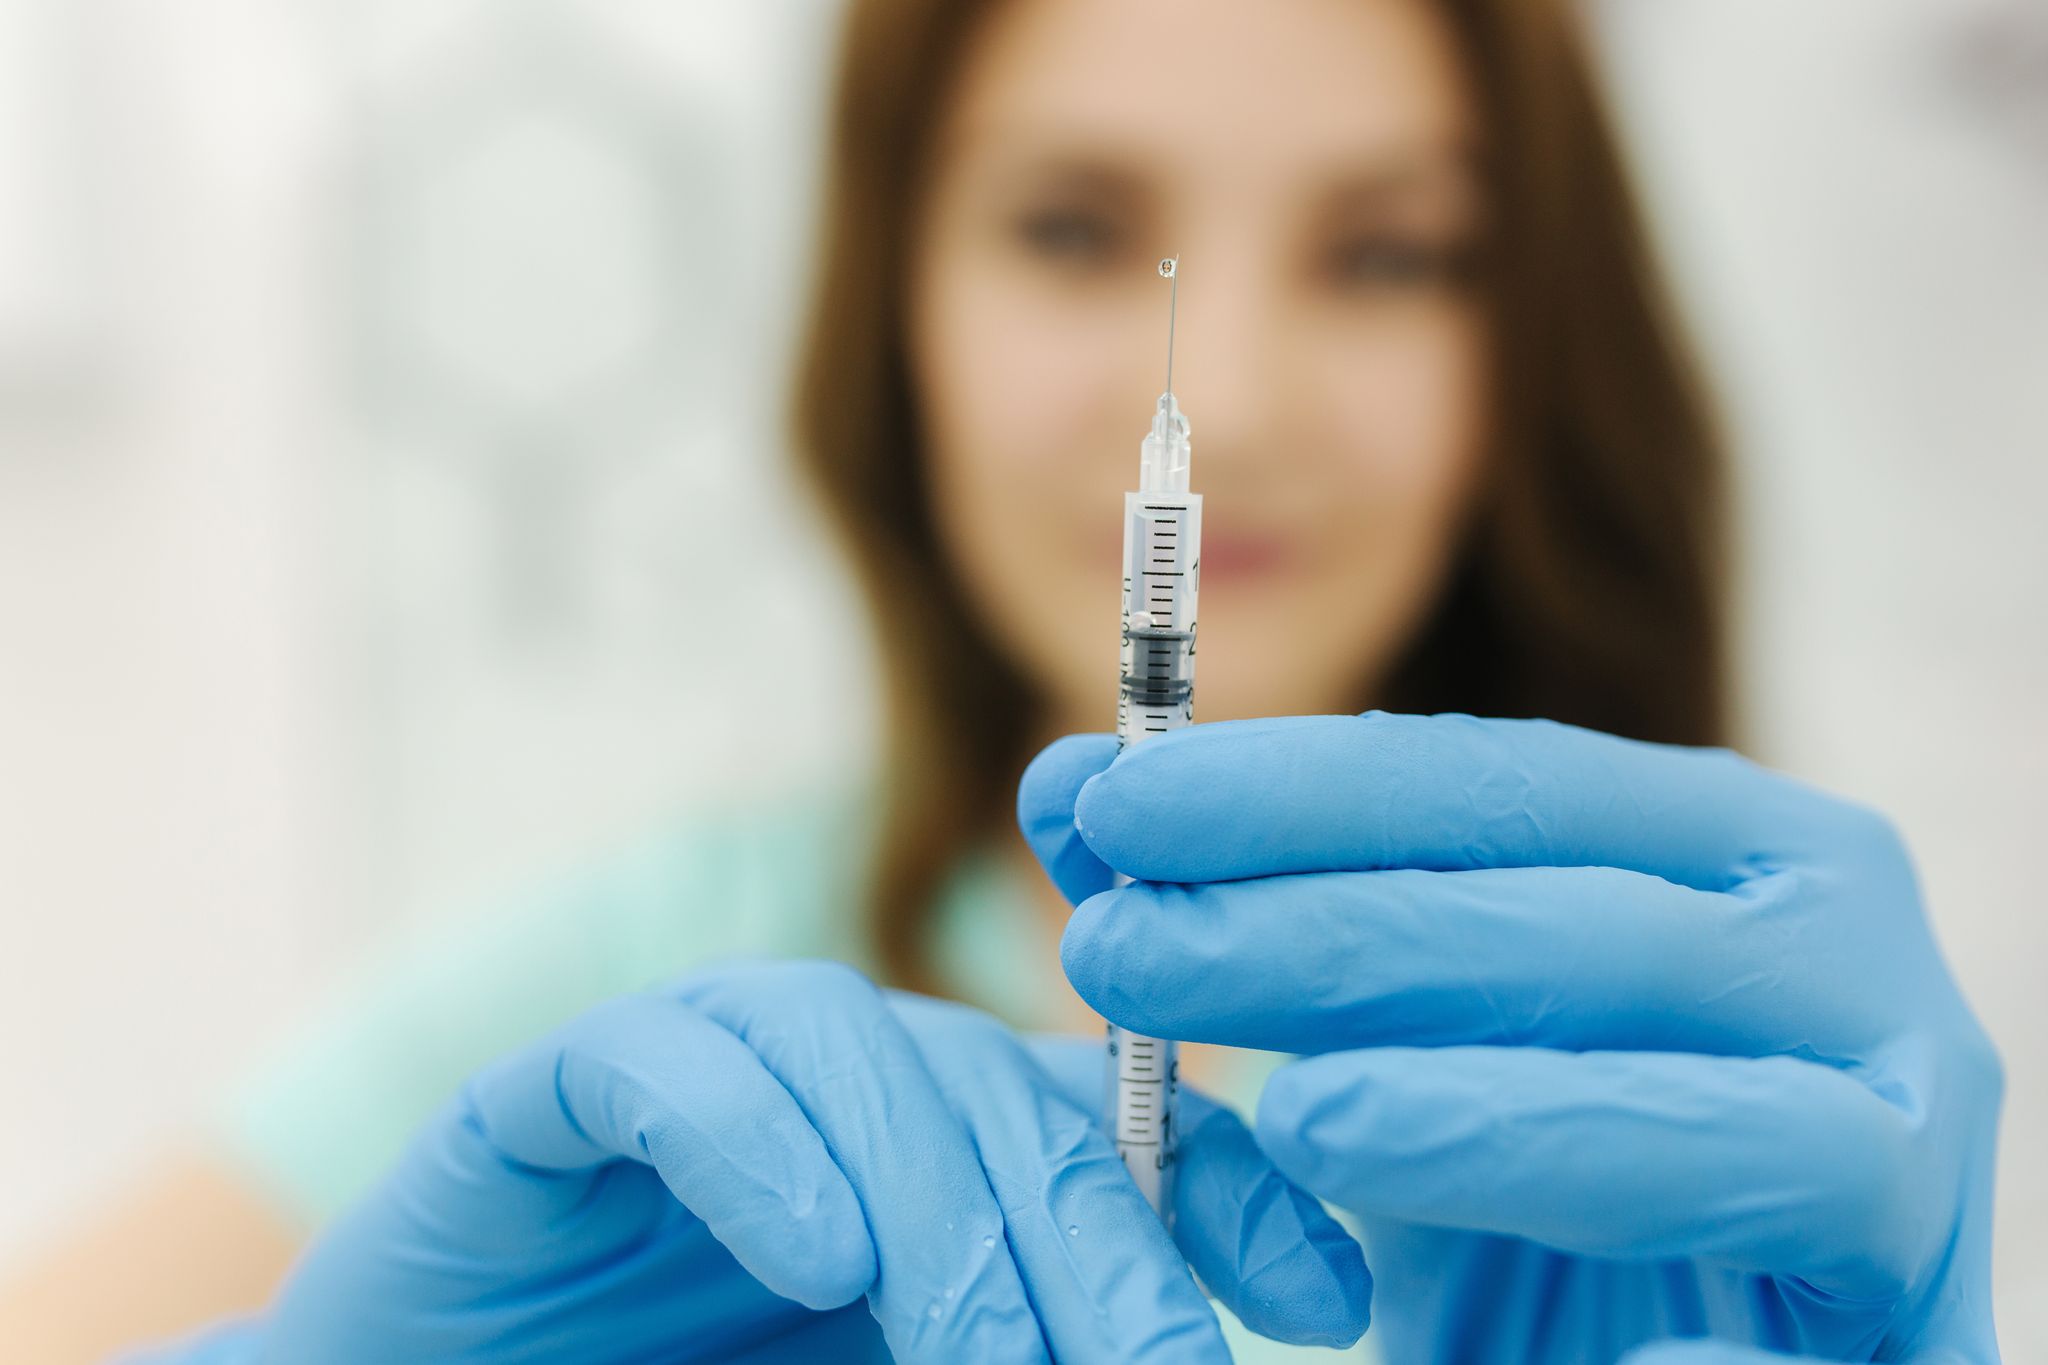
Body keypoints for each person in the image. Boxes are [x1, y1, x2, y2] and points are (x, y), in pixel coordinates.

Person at [4, 0, 2003, 1360]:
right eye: (1072, 227)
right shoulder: (646, 1015)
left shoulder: (1732, 1072)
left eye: (1388, 253)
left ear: (1538, 345)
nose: (1218, 396)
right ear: (895, 309)